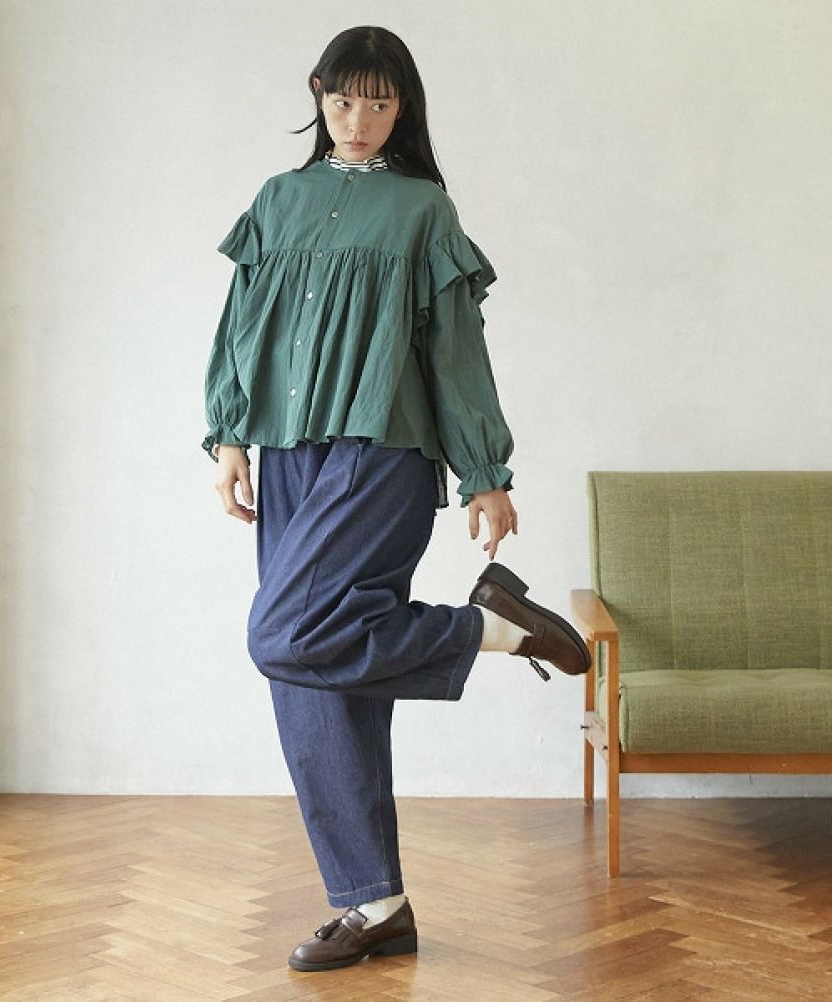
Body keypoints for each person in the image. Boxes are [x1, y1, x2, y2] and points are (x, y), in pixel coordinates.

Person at [203, 25, 590, 973]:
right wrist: (229, 436)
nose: (359, 120)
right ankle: (375, 903)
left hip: (383, 451)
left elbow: (456, 352)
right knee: (310, 668)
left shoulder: (423, 210)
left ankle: (494, 631)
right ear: (318, 93)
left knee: (282, 634)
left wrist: (485, 472)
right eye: (344, 100)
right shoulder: (278, 200)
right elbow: (242, 325)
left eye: (379, 103)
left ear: (402, 107)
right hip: (289, 455)